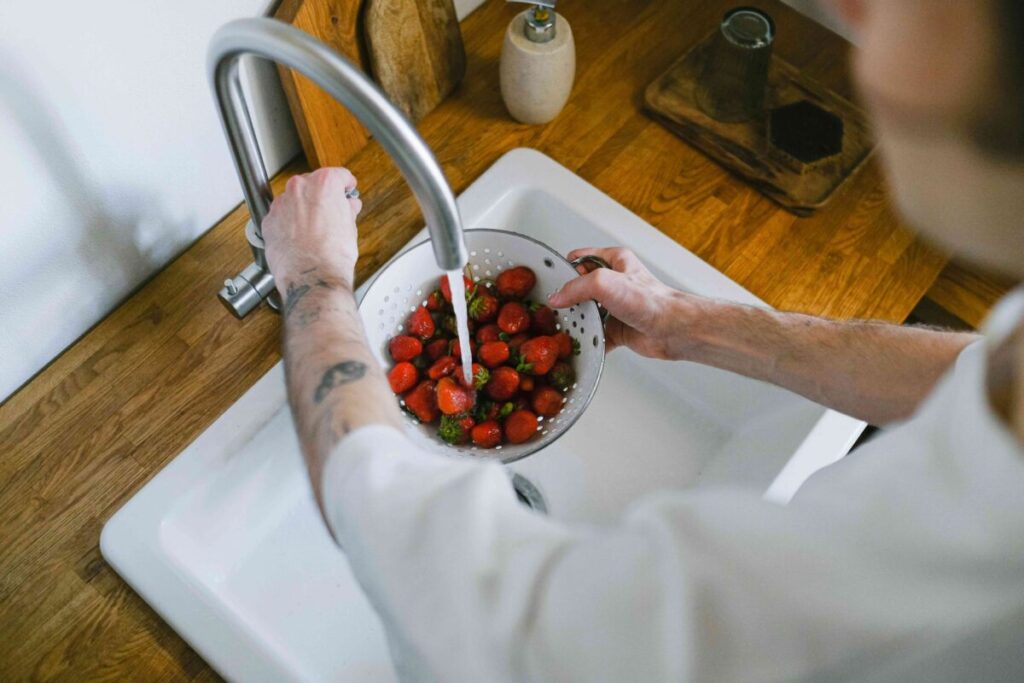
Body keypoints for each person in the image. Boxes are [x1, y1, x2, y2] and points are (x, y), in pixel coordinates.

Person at [260, 1, 1024, 680]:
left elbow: (483, 625)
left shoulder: (959, 566)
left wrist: (315, 278)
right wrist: (688, 321)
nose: (851, 8)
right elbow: (978, 372)